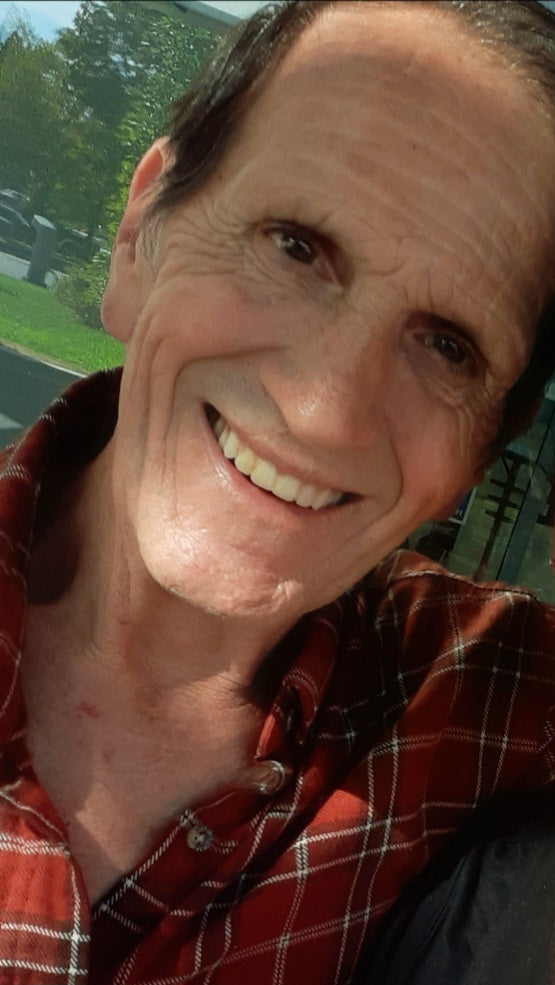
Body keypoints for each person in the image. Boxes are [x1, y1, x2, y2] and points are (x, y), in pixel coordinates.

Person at [1, 0, 554, 982]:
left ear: (473, 463)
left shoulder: (479, 689)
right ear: (139, 235)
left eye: (446, 346)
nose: (323, 413)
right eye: (294, 245)